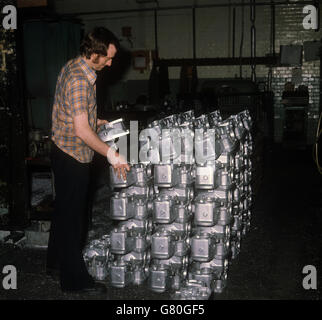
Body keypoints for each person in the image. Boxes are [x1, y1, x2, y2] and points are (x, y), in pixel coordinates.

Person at [46, 27, 130, 294]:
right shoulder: (79, 82)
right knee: (74, 220)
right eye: (107, 58)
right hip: (73, 154)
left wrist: (96, 121)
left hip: (62, 148)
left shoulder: (75, 67)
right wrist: (111, 153)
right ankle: (74, 281)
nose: (111, 62)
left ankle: (55, 263)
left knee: (62, 211)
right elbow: (82, 132)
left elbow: (76, 116)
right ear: (94, 53)